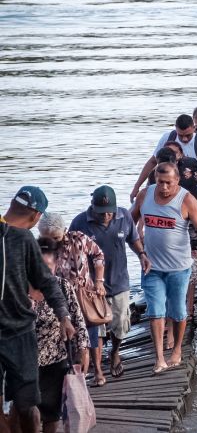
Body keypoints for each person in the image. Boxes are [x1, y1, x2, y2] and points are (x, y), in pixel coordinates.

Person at [1, 186, 73, 433]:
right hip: (20, 332)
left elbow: (45, 282)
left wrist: (62, 314)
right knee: (27, 402)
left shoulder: (23, 239)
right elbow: (47, 282)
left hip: (17, 332)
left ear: (11, 203)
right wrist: (64, 316)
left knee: (23, 403)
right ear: (36, 217)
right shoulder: (24, 239)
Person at [130, 162, 197, 375]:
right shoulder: (145, 196)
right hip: (152, 267)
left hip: (179, 267)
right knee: (155, 311)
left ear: (177, 180)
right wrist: (140, 251)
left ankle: (176, 349)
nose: (164, 187)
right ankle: (159, 357)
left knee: (178, 312)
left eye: (168, 183)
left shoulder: (186, 200)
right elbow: (129, 227)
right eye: (160, 182)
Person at [69, 185, 145, 382]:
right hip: (91, 287)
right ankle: (98, 368)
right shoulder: (80, 222)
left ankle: (115, 352)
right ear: (92, 207)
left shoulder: (124, 217)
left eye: (109, 212)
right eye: (101, 213)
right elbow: (69, 252)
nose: (106, 216)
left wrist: (142, 255)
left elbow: (133, 239)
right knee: (97, 328)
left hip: (119, 281)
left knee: (120, 324)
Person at [37, 212, 106, 385]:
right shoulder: (40, 247)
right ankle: (71, 378)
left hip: (83, 294)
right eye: (48, 238)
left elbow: (98, 255)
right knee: (66, 339)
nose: (53, 241)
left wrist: (99, 281)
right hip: (58, 297)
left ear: (64, 231)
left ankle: (97, 370)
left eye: (56, 237)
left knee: (90, 334)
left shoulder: (79, 239)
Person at [32, 237, 90, 433]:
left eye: (48, 267)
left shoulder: (63, 286)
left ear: (56, 265)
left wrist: (83, 350)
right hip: (24, 361)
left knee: (51, 413)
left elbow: (78, 320)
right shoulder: (18, 287)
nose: (43, 273)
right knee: (26, 411)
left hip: (55, 359)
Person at [130, 114, 197, 202]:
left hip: (193, 193)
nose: (184, 139)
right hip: (167, 192)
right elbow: (152, 162)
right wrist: (136, 187)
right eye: (180, 135)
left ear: (194, 128)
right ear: (175, 128)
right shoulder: (167, 137)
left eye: (188, 135)